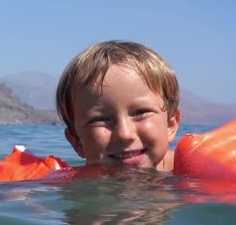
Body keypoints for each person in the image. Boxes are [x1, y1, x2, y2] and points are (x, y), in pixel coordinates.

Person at [55, 40, 181, 172]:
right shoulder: (71, 184)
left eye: (140, 113)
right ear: (76, 142)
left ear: (170, 125)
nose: (124, 134)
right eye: (100, 119)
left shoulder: (194, 172)